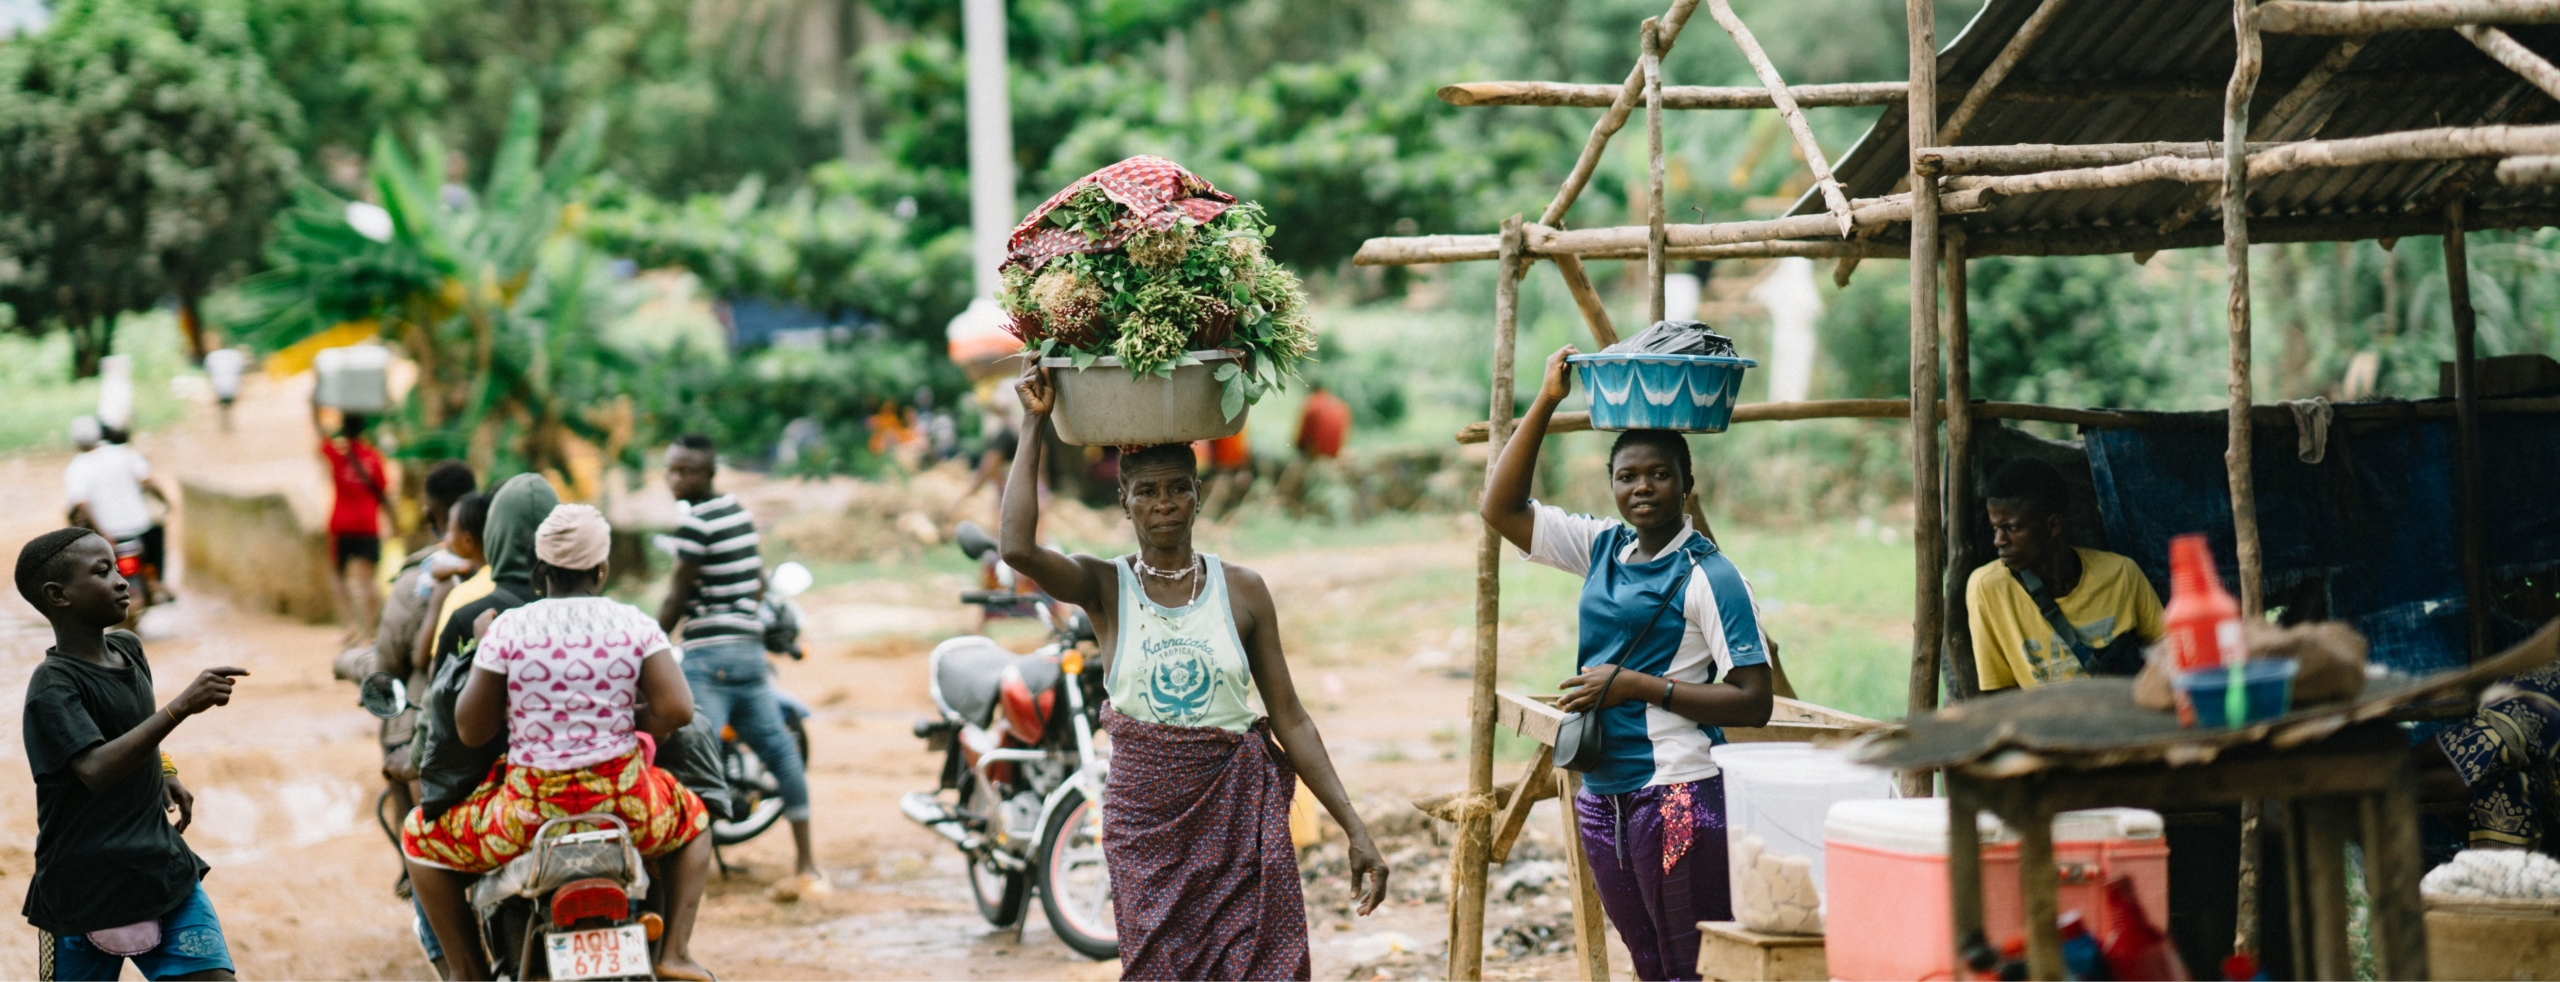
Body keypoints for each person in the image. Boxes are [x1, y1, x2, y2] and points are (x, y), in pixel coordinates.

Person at [1001, 363, 1390, 981]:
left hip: (1238, 822)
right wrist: (1033, 423)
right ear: (1124, 500)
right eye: (1148, 492)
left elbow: (1289, 716)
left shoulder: (1243, 591)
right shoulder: (1106, 586)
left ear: (1198, 495)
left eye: (1178, 488)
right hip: (1147, 828)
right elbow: (1017, 549)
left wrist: (1356, 827)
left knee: (1259, 966)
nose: (1164, 505)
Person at [1482, 346, 1776, 982]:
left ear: (1688, 485)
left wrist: (1637, 687)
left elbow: (1755, 701)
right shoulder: (1602, 546)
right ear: (1612, 484)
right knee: (1646, 962)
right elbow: (1500, 509)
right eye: (1628, 476)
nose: (1642, 487)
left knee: (1692, 967)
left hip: (1677, 792)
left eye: (1660, 475)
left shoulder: (1711, 576)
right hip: (1602, 793)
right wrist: (1547, 400)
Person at [400, 505, 715, 982]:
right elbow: (678, 710)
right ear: (602, 569)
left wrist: (487, 646)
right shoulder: (633, 623)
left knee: (417, 836)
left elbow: (471, 729)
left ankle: (469, 974)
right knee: (696, 819)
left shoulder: (509, 627)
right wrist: (629, 717)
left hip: (529, 816)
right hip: (626, 804)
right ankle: (675, 953)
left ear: (540, 570)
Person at [17, 527, 249, 981]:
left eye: (117, 567)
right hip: (83, 891)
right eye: (102, 572)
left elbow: (134, 725)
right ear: (57, 595)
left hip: (159, 870)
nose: (123, 579)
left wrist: (164, 769)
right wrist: (181, 707)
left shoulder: (129, 649)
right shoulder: (53, 686)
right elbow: (95, 768)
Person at [658, 433, 820, 893]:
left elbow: (676, 598)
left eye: (685, 470)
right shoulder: (739, 514)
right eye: (671, 469)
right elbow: (757, 583)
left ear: (708, 473)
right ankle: (807, 865)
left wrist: (644, 641)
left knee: (693, 760)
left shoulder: (695, 524)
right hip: (749, 654)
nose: (675, 478)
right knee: (780, 752)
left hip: (709, 656)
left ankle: (686, 875)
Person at [1967, 458, 2165, 690]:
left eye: (2012, 528)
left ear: (2053, 526)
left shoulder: (2121, 573)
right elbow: (1998, 693)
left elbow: (2171, 647)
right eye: (1995, 529)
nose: (1998, 541)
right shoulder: (1987, 587)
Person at [63, 417, 173, 612]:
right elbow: (149, 482)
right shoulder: (124, 454)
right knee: (157, 535)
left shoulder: (76, 467)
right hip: (139, 527)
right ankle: (155, 581)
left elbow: (82, 506)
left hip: (107, 536)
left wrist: (103, 533)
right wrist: (165, 502)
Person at [316, 407, 392, 644]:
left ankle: (350, 624)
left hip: (341, 525)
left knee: (339, 576)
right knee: (368, 581)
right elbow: (383, 490)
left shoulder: (337, 455)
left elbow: (320, 435)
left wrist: (316, 405)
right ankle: (369, 632)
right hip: (368, 524)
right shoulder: (374, 458)